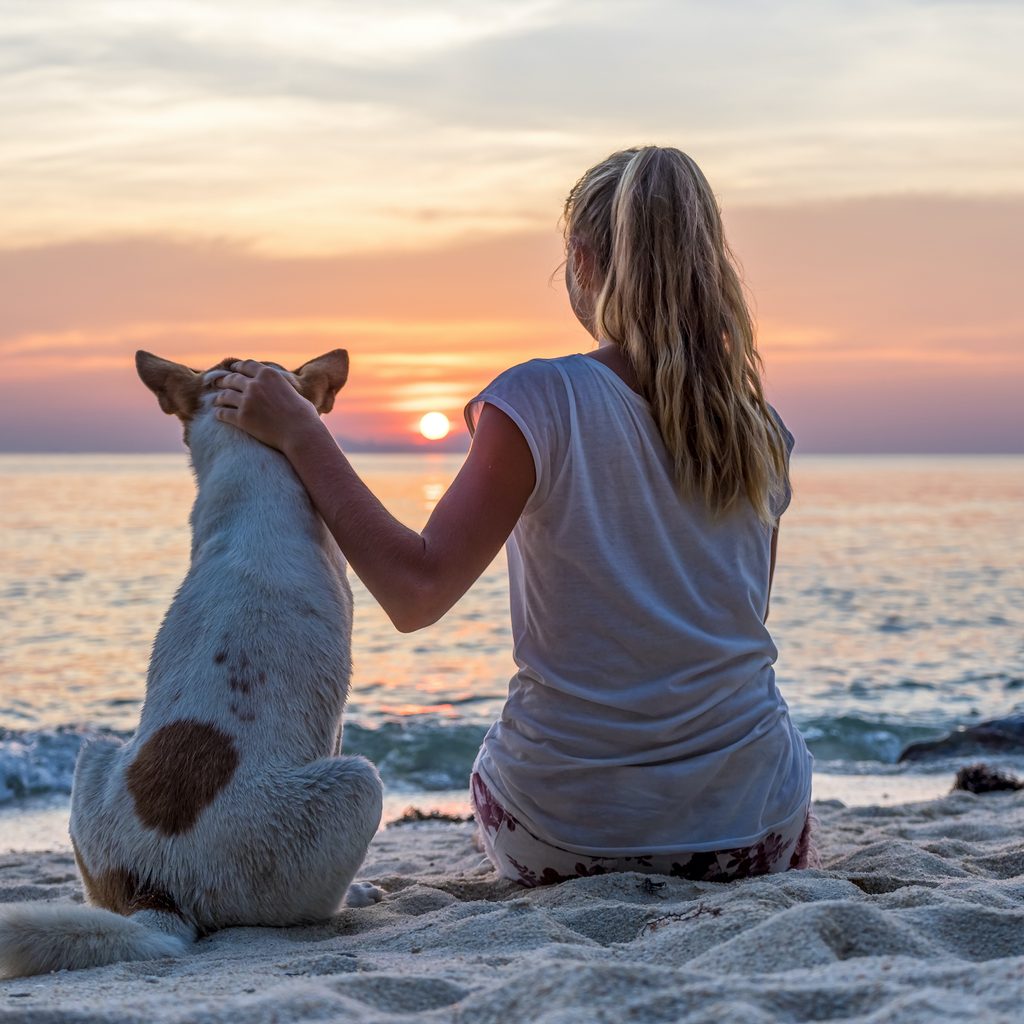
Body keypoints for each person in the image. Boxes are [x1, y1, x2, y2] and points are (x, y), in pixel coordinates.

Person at [212, 146, 816, 886]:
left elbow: (416, 592)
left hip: (566, 831)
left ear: (584, 261)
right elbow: (723, 631)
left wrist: (303, 432)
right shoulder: (760, 430)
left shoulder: (541, 399)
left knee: (508, 769)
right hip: (756, 828)